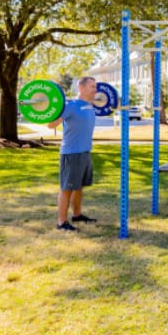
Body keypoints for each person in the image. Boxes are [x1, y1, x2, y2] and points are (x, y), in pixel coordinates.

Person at [48, 77, 98, 231]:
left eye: (95, 86)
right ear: (81, 88)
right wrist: (50, 111)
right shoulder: (70, 106)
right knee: (67, 188)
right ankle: (61, 222)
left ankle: (77, 215)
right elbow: (50, 124)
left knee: (79, 186)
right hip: (71, 153)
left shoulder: (90, 106)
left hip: (85, 151)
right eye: (92, 86)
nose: (95, 89)